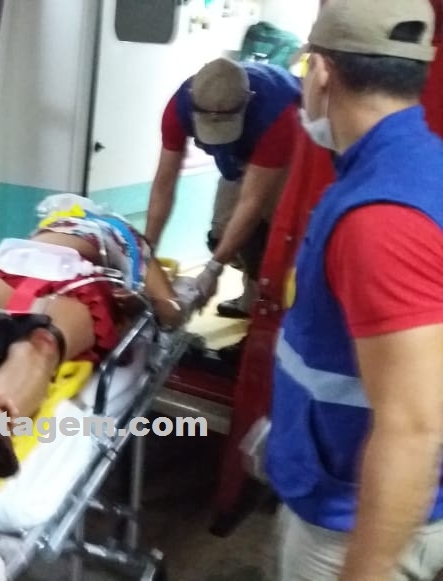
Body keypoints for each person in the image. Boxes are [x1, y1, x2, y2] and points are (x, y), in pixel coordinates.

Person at [262, 0, 443, 578]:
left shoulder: (381, 217)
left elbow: (412, 429)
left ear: (321, 72)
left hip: (352, 523)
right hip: (331, 481)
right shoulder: (417, 168)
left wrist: (365, 569)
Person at [0, 194, 187, 477]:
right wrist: (143, 303)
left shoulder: (59, 227)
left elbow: (168, 310)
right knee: (33, 342)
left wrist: (139, 302)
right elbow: (171, 310)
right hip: (53, 272)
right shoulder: (128, 238)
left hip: (29, 269)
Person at [146, 57, 301, 326]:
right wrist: (146, 255)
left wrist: (213, 270)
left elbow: (252, 203)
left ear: (248, 100)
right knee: (221, 234)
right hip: (238, 157)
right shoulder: (180, 107)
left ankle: (267, 318)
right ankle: (252, 296)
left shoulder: (278, 112)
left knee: (270, 239)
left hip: (288, 153)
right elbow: (163, 184)